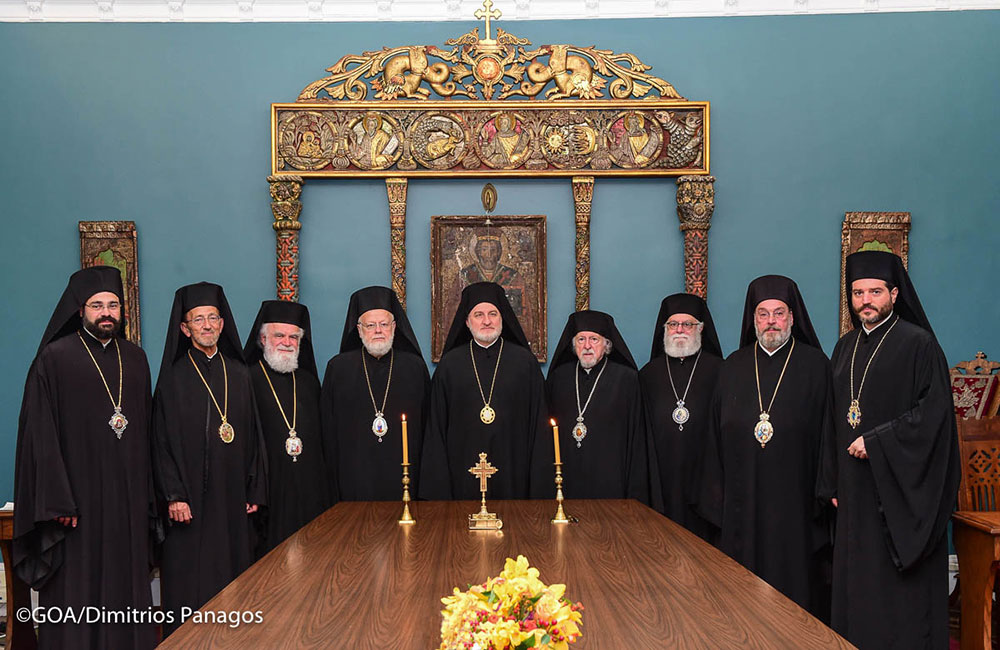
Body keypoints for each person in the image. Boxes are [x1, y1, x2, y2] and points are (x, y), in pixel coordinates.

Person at [818, 251, 959, 648]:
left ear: (894, 294)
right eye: (858, 293)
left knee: (896, 591)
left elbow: (934, 417)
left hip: (899, 491)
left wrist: (879, 442)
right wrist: (831, 481)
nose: (865, 301)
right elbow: (833, 417)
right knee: (857, 581)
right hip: (853, 487)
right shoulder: (844, 348)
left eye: (875, 292)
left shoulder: (919, 344)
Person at [12, 266, 156, 649]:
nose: (106, 312)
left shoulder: (136, 360)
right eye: (97, 305)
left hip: (127, 503)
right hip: (76, 505)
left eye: (113, 305)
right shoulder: (54, 359)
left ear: (122, 310)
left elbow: (147, 432)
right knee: (78, 590)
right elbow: (39, 435)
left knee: (126, 590)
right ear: (80, 310)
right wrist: (57, 499)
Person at [699, 275, 833, 619]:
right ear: (753, 319)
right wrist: (717, 499)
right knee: (741, 602)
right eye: (763, 313)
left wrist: (825, 491)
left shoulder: (817, 366)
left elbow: (829, 436)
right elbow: (714, 439)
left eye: (779, 313)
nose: (771, 321)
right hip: (742, 504)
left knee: (796, 595)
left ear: (792, 317)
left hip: (797, 506)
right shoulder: (733, 366)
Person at [151, 282, 265, 635]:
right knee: (190, 582)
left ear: (222, 323)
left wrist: (254, 488)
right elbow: (160, 441)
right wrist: (174, 495)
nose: (207, 325)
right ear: (185, 329)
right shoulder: (173, 378)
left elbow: (255, 436)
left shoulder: (240, 373)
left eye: (213, 318)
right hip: (189, 503)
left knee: (233, 576)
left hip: (231, 499)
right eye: (198, 319)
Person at [420, 282, 547, 500]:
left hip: (514, 470)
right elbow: (436, 430)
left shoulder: (525, 363)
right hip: (461, 472)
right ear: (467, 322)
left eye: (493, 314)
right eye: (478, 315)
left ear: (502, 318)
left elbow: (540, 428)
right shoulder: (449, 366)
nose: (486, 321)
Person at [320, 286, 430, 501]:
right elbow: (327, 432)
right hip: (354, 479)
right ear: (359, 329)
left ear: (394, 327)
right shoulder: (338, 369)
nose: (378, 330)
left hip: (405, 478)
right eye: (370, 325)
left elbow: (428, 429)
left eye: (384, 324)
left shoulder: (414, 368)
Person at [533, 310, 653, 503]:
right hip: (567, 478)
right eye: (581, 339)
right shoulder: (559, 378)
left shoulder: (626, 379)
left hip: (610, 480)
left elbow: (637, 438)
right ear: (574, 345)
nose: (587, 346)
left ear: (607, 345)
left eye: (594, 339)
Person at [244, 300, 330, 551]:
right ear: (263, 339)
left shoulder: (308, 382)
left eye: (294, 337)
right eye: (279, 335)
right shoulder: (246, 378)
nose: (287, 342)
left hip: (309, 487)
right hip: (269, 489)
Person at [639, 293, 723, 541]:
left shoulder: (721, 370)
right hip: (661, 479)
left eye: (687, 324)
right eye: (673, 324)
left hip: (705, 478)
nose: (679, 330)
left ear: (701, 328)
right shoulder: (648, 374)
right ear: (664, 329)